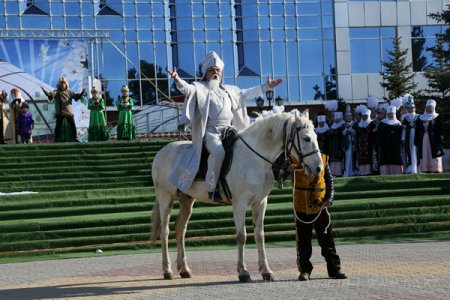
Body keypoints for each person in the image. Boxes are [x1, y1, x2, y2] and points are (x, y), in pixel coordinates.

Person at [167, 51, 282, 202]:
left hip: (230, 131)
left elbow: (248, 93)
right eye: (211, 70)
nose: (215, 72)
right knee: (219, 153)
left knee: (244, 150)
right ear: (206, 74)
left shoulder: (231, 90)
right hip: (211, 133)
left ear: (221, 73)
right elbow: (187, 89)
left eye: (217, 70)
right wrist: (177, 79)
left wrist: (266, 86)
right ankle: (212, 188)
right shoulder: (200, 87)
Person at [291, 152, 347, 281]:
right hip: (301, 205)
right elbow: (279, 174)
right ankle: (305, 270)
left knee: (327, 241)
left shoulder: (323, 158)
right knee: (303, 242)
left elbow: (329, 180)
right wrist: (285, 168)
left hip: (320, 204)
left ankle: (334, 270)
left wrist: (329, 198)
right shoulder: (292, 159)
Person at [41, 77, 85, 142]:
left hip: (69, 112)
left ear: (66, 85)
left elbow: (76, 96)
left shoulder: (70, 92)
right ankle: (56, 139)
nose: (63, 85)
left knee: (72, 125)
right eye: (61, 84)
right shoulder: (56, 92)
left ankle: (75, 138)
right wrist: (44, 91)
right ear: (59, 85)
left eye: (64, 84)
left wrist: (82, 92)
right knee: (58, 127)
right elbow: (50, 95)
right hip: (60, 112)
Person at [414, 99, 444, 173]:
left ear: (434, 108)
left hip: (434, 139)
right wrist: (416, 140)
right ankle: (426, 169)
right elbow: (417, 130)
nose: (429, 109)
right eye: (428, 107)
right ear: (425, 108)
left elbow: (441, 130)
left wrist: (440, 138)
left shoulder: (437, 117)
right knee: (424, 153)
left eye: (431, 107)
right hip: (423, 139)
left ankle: (436, 169)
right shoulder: (420, 118)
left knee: (435, 152)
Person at [377, 106, 403, 175]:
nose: (391, 115)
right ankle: (385, 172)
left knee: (396, 157)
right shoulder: (382, 123)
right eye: (390, 113)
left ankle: (397, 172)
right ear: (387, 114)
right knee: (386, 157)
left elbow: (400, 134)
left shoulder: (398, 123)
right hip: (386, 145)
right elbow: (379, 134)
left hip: (396, 145)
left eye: (392, 113)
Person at [401, 97, 418, 174]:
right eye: (409, 108)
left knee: (416, 150)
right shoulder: (406, 118)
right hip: (408, 136)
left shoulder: (418, 116)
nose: (411, 109)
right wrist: (403, 137)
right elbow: (404, 129)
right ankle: (410, 167)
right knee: (409, 150)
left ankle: (417, 167)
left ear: (415, 108)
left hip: (416, 135)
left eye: (412, 108)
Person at [355, 109, 373, 175]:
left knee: (369, 156)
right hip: (361, 144)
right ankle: (362, 172)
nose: (364, 117)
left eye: (366, 115)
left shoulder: (372, 123)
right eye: (363, 116)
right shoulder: (359, 124)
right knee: (361, 157)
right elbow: (357, 134)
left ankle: (369, 171)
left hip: (369, 143)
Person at [328, 111, 345, 177]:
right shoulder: (332, 126)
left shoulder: (342, 126)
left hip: (339, 146)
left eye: (338, 118)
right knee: (333, 160)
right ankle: (333, 173)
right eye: (336, 118)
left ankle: (339, 173)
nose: (337, 119)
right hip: (333, 147)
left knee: (339, 160)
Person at [342, 105, 356, 177]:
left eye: (349, 116)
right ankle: (347, 172)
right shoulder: (343, 124)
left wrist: (350, 130)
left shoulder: (354, 123)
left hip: (353, 143)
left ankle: (353, 172)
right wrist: (346, 129)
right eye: (347, 116)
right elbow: (343, 134)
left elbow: (355, 133)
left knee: (353, 158)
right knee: (347, 158)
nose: (348, 117)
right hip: (347, 144)